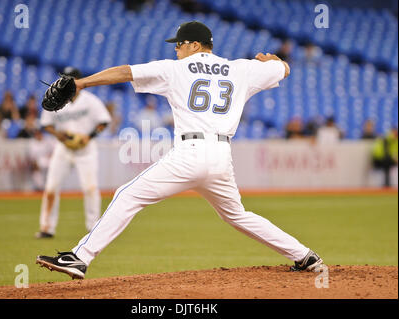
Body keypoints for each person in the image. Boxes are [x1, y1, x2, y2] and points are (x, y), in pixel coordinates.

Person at [36, 21, 323, 279]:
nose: (176, 50)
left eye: (179, 44)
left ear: (195, 45)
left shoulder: (175, 69)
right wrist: (274, 60)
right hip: (221, 156)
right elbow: (284, 68)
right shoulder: (242, 69)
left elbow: (125, 72)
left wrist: (82, 83)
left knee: (128, 195)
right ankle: (304, 255)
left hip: (190, 152)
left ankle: (80, 257)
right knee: (237, 215)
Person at [35, 66, 112, 239]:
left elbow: (104, 122)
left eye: (70, 79)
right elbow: (46, 124)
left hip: (85, 149)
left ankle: (93, 227)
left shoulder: (90, 101)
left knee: (90, 188)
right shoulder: (56, 99)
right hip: (63, 149)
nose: (66, 83)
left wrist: (89, 136)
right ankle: (46, 227)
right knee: (51, 188)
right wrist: (58, 135)